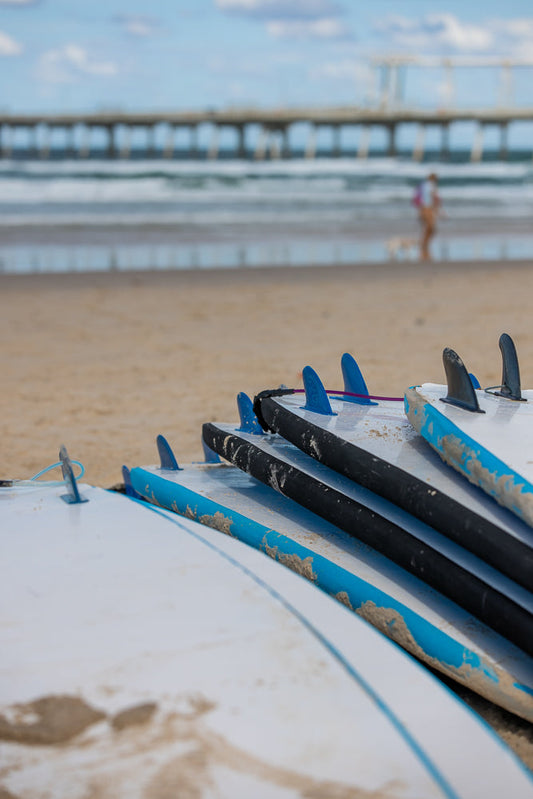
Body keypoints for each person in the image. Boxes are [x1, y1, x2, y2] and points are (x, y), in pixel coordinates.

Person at [413, 173, 441, 261]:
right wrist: (437, 210)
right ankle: (424, 245)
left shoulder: (422, 185)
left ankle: (424, 245)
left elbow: (419, 198)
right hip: (428, 209)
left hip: (422, 209)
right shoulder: (431, 186)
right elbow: (434, 198)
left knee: (427, 228)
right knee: (431, 228)